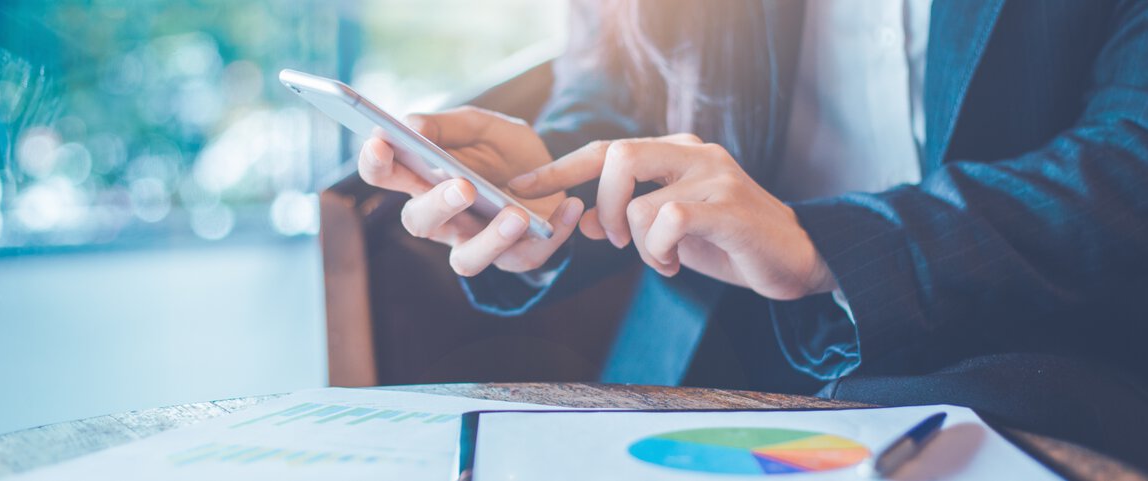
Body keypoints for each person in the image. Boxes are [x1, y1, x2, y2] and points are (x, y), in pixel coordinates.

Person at [357, 0, 1148, 467]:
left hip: (1038, 350)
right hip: (717, 361)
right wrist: (539, 190)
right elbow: (618, 95)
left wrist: (826, 248)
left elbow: (1131, 156)